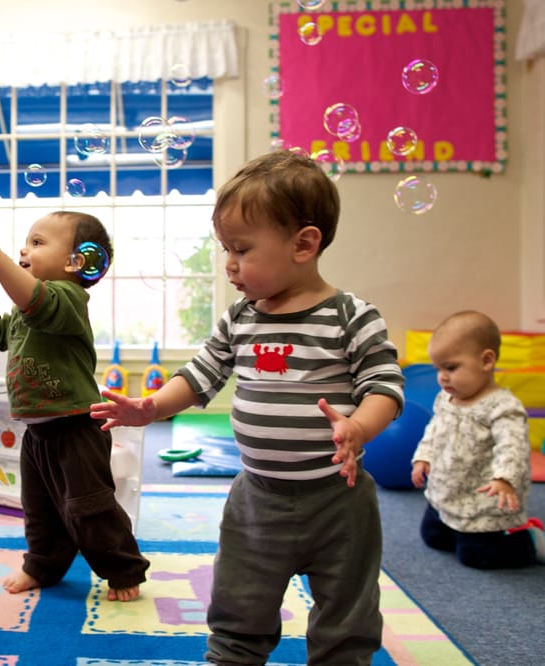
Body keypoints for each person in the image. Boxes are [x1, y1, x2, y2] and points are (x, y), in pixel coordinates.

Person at [90, 151, 405, 664]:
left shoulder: (352, 316)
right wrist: (152, 408)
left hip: (339, 501)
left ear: (304, 244)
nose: (230, 264)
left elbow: (386, 386)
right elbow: (199, 376)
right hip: (257, 499)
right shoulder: (239, 318)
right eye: (225, 250)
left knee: (348, 617)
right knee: (239, 607)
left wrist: (358, 427)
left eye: (241, 249)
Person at [0, 210, 150, 602]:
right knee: (39, 508)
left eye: (38, 243)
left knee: (89, 507)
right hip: (39, 431)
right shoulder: (26, 311)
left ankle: (124, 569)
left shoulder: (67, 299)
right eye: (24, 243)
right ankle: (41, 564)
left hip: (76, 427)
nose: (25, 250)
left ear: (74, 262)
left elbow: (33, 299)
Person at [410, 310, 545, 568]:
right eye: (438, 369)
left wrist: (504, 478)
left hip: (483, 497)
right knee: (434, 538)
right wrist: (423, 457)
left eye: (451, 367)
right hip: (447, 490)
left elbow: (512, 446)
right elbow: (434, 429)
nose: (442, 377)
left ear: (486, 360)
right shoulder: (445, 398)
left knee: (476, 557)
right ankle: (454, 524)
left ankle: (528, 541)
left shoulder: (502, 407)